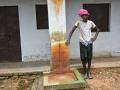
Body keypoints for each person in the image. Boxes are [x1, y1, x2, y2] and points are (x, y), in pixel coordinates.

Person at [66, 9, 99, 79]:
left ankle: (89, 71)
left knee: (89, 58)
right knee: (83, 58)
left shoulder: (90, 23)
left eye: (86, 15)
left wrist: (95, 37)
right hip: (82, 43)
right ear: (81, 16)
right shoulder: (78, 22)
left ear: (88, 15)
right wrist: (68, 39)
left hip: (89, 42)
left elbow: (98, 29)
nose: (85, 16)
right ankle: (85, 72)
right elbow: (71, 31)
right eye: (83, 15)